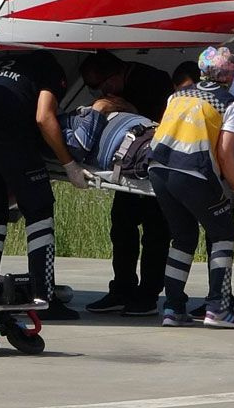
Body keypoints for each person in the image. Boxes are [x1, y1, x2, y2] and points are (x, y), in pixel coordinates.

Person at [0, 50, 87, 320]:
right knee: (39, 210)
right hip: (7, 127)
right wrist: (69, 164)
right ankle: (42, 297)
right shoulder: (50, 67)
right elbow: (43, 117)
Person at [147, 46, 234, 328]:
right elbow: (226, 152)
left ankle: (172, 307)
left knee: (182, 236)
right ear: (230, 75)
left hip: (157, 168)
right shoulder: (230, 103)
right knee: (224, 231)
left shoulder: (177, 95)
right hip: (192, 171)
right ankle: (218, 307)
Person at [79, 51, 174, 316]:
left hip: (155, 164)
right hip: (127, 166)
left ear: (117, 73)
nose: (102, 92)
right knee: (121, 225)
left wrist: (128, 109)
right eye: (95, 88)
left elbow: (164, 123)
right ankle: (121, 287)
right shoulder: (114, 91)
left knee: (156, 231)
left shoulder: (153, 81)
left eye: (104, 85)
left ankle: (148, 293)